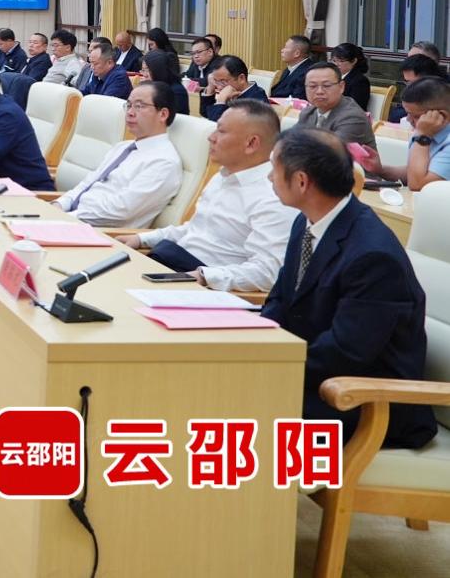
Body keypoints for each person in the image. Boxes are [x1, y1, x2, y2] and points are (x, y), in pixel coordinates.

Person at [260, 128, 437, 450]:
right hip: (318, 377)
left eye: (274, 168)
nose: (270, 177)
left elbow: (346, 352)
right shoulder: (308, 220)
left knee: (232, 406)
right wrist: (252, 348)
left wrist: (270, 370)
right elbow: (282, 299)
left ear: (301, 181)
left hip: (366, 402)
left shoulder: (373, 256)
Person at [116, 99, 296, 292]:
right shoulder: (223, 176)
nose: (211, 137)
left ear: (251, 143)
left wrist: (204, 277)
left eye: (221, 131)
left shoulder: (274, 195)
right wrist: (141, 239)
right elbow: (194, 230)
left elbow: (268, 273)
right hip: (172, 267)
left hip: (205, 288)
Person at [56, 81, 182, 227]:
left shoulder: (163, 162)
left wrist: (67, 218)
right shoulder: (122, 147)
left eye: (139, 106)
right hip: (71, 219)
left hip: (98, 232)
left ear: (163, 114)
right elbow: (87, 184)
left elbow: (121, 210)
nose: (130, 112)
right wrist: (59, 204)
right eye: (128, 105)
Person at [357, 76, 450, 191]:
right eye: (408, 113)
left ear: (442, 115)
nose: (408, 119)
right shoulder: (424, 132)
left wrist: (422, 137)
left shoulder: (424, 134)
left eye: (416, 116)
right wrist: (379, 170)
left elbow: (417, 185)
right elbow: (411, 173)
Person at [295, 62, 376, 153]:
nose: (319, 91)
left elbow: (328, 152)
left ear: (341, 87)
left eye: (326, 85)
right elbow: (291, 142)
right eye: (313, 86)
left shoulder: (353, 117)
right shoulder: (308, 113)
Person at [202, 55, 268, 123]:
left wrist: (220, 101)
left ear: (241, 78)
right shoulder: (232, 92)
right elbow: (205, 114)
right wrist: (210, 88)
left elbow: (218, 125)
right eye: (216, 81)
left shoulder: (256, 100)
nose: (219, 87)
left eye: (223, 81)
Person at [390, 53, 445, 122]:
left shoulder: (442, 98)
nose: (408, 87)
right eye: (406, 82)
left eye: (411, 82)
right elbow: (395, 115)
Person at [142, 49, 189, 115]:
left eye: (147, 70)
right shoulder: (154, 86)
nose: (144, 75)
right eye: (143, 70)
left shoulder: (177, 92)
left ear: (158, 70)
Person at [269, 34, 316, 99]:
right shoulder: (289, 69)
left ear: (297, 53)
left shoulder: (308, 72)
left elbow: (296, 99)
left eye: (286, 47)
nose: (282, 50)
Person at [328, 43, 372, 111]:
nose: (336, 64)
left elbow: (356, 106)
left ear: (354, 61)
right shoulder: (333, 77)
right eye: (334, 61)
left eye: (341, 61)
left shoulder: (360, 81)